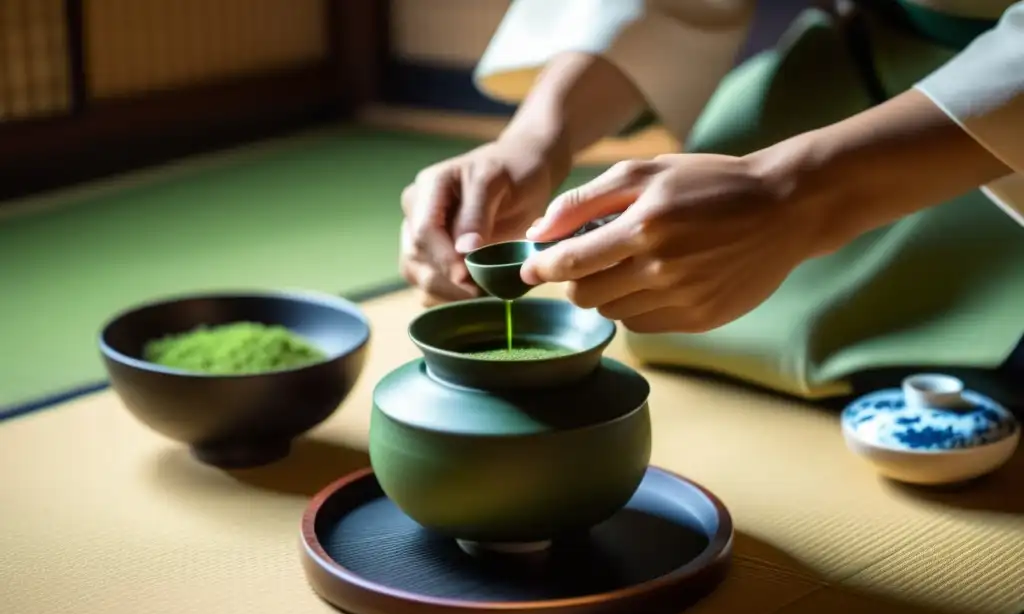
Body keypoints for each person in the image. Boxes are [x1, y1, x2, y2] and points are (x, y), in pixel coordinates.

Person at [398, 1, 1024, 405]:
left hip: (1000, 111)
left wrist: (792, 195)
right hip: (856, 70)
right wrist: (535, 138)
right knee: (664, 275)